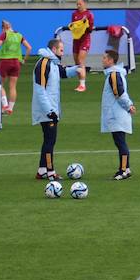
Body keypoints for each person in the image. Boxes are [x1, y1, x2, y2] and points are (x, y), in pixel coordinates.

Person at [32, 37, 86, 180]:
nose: (63, 53)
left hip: (50, 109)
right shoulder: (44, 63)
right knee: (50, 140)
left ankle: (42, 170)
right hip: (47, 111)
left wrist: (78, 69)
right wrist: (49, 111)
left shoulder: (53, 63)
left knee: (49, 140)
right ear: (54, 49)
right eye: (61, 50)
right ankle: (50, 172)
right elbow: (40, 90)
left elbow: (64, 73)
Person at [101, 48, 136, 180]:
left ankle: (123, 170)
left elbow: (119, 93)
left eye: (104, 58)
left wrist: (129, 106)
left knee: (120, 142)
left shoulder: (114, 74)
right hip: (116, 113)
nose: (102, 60)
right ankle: (125, 168)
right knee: (120, 142)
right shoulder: (114, 74)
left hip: (117, 114)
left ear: (111, 60)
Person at [0, 19, 32, 115]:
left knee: (0, 84)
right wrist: (24, 59)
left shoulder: (4, 34)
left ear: (3, 28)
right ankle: (10, 108)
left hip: (5, 62)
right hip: (16, 62)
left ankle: (4, 106)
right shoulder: (19, 35)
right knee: (13, 87)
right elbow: (29, 48)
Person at [69, 0, 95, 92]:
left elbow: (90, 29)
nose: (78, 6)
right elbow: (73, 26)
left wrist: (85, 25)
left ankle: (83, 85)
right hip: (76, 40)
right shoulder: (74, 14)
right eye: (77, 4)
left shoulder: (89, 14)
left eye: (80, 4)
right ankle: (80, 83)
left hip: (85, 39)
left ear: (84, 3)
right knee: (76, 62)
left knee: (80, 60)